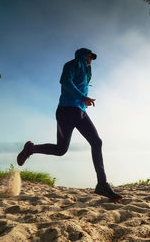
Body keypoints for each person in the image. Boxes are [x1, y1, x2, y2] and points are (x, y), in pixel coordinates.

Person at [17, 48, 122, 202]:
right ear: (83, 55)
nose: (91, 59)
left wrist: (84, 97)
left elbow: (83, 82)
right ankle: (31, 148)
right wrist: (82, 97)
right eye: (89, 56)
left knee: (96, 142)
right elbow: (66, 81)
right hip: (66, 111)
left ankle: (102, 185)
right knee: (61, 150)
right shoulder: (72, 65)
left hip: (80, 111)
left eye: (93, 58)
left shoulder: (86, 71)